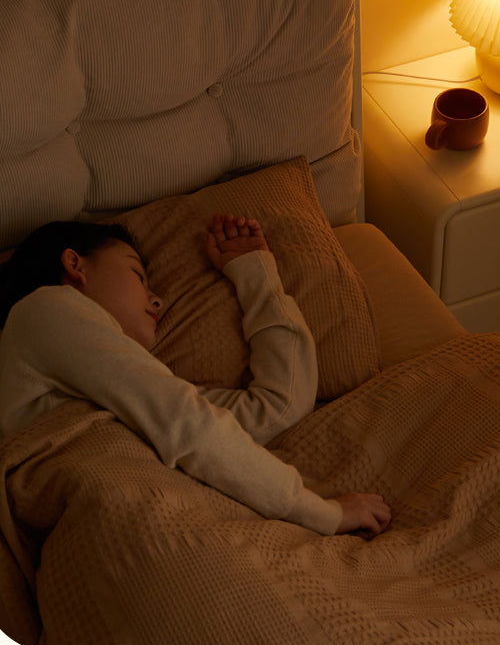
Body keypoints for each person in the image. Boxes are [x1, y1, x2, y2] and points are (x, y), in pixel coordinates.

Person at [0, 214, 390, 539]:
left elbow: (275, 409)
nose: (157, 299)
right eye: (138, 275)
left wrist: (255, 274)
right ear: (75, 265)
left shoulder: (121, 392)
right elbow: (188, 424)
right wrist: (324, 514)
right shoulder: (41, 310)